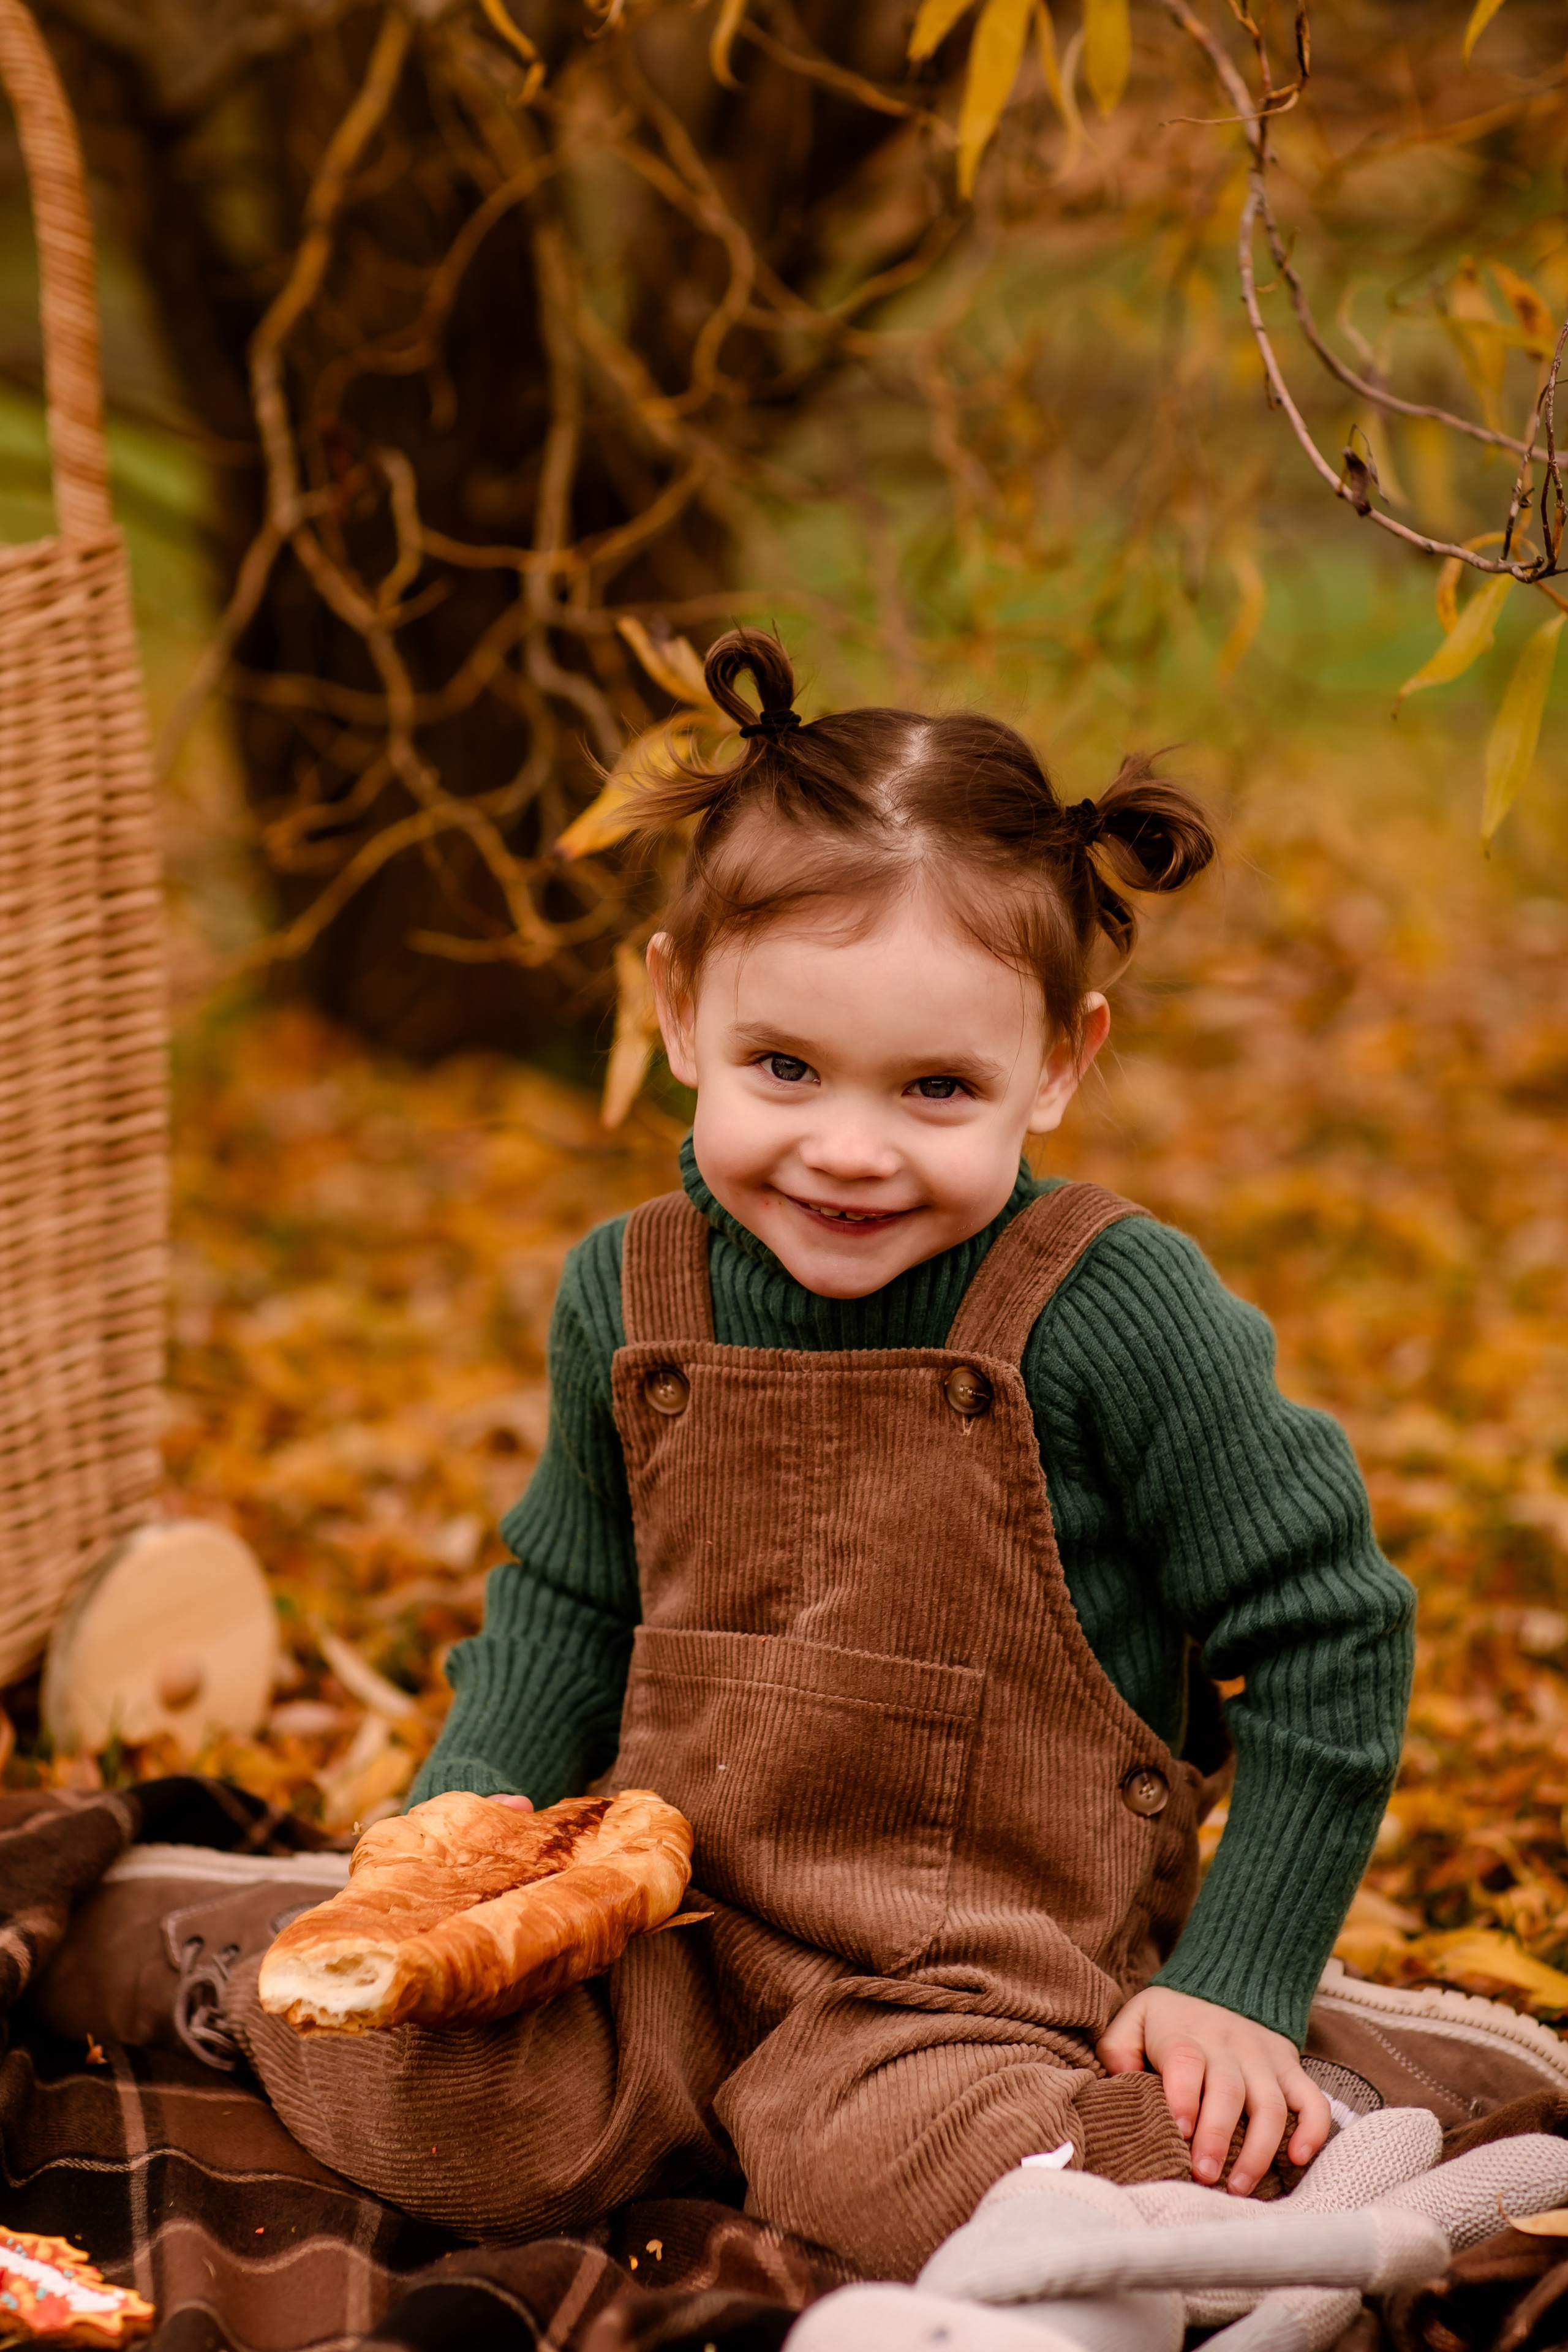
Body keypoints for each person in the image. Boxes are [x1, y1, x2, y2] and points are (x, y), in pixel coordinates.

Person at [51, 628, 1426, 2278]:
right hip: (665, 1934)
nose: (847, 1150)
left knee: (974, 2177)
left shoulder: (1115, 1312)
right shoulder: (628, 1299)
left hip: (962, 1983)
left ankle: (1288, 2165)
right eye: (786, 1068)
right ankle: (238, 1939)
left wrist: (1239, 1974)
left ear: (1059, 1065)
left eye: (935, 1089)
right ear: (677, 1009)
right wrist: (455, 1841)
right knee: (439, 2109)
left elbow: (1331, 1626)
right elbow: (567, 1598)